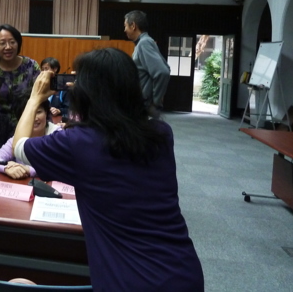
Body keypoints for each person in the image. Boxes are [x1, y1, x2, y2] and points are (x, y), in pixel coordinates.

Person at [12, 48, 204, 291]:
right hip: (183, 271)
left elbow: (19, 146)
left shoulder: (78, 143)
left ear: (87, 92)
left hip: (130, 281)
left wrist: (34, 99)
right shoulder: (161, 133)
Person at [0, 89, 61, 179]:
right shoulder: (18, 137)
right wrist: (7, 167)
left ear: (46, 113)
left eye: (39, 112)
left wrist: (28, 170)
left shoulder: (57, 135)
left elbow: (56, 168)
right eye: (29, 114)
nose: (35, 118)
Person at [0, 24, 40, 124]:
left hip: (28, 124)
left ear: (18, 43)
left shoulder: (31, 66)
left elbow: (40, 97)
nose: (8, 47)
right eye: (2, 43)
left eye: (12, 42)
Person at [124, 10, 171, 117]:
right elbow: (166, 68)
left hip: (144, 107)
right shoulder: (146, 42)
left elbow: (162, 72)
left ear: (133, 26)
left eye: (125, 26)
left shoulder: (144, 43)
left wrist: (155, 102)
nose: (124, 30)